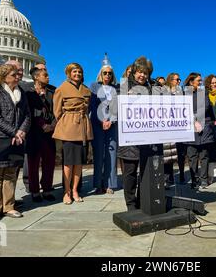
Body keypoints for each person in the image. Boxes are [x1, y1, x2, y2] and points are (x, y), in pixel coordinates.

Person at [0, 64, 31, 221]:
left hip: (16, 139)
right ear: (4, 76)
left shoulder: (21, 93)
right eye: (14, 75)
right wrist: (14, 131)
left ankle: (9, 206)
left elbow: (27, 115)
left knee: (11, 174)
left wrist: (22, 131)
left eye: (18, 74)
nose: (18, 77)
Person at [53, 63, 93, 205]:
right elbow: (57, 112)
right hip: (69, 126)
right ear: (69, 73)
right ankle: (67, 191)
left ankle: (75, 190)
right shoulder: (61, 89)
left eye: (79, 72)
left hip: (83, 126)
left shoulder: (86, 90)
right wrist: (66, 123)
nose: (77, 74)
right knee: (69, 162)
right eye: (74, 71)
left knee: (79, 162)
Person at [117, 58, 152, 210]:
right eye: (140, 72)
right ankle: (131, 204)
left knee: (145, 172)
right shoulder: (123, 87)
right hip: (130, 140)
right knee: (130, 173)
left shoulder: (153, 88)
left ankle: (142, 200)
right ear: (134, 72)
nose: (142, 75)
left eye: (145, 73)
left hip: (148, 139)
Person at [26, 68, 56, 202]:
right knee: (33, 163)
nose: (48, 77)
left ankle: (47, 189)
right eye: (45, 75)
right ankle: (34, 191)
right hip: (34, 132)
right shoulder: (28, 92)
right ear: (36, 77)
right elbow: (29, 112)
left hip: (50, 133)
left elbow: (56, 110)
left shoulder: (52, 92)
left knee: (49, 162)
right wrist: (42, 125)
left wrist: (53, 125)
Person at [90, 64, 119, 195]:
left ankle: (110, 184)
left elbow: (118, 107)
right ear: (100, 74)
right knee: (99, 155)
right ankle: (98, 184)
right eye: (105, 73)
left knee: (111, 155)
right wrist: (102, 121)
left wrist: (111, 120)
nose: (107, 75)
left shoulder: (116, 89)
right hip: (98, 124)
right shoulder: (94, 87)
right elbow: (92, 106)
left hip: (112, 125)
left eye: (109, 73)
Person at [183, 72, 215, 189]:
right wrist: (192, 119)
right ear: (191, 82)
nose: (201, 83)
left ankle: (204, 179)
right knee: (192, 156)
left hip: (203, 128)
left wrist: (196, 118)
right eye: (198, 81)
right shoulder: (185, 94)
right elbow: (183, 109)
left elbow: (205, 106)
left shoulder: (203, 92)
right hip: (190, 128)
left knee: (204, 155)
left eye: (201, 80)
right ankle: (194, 180)